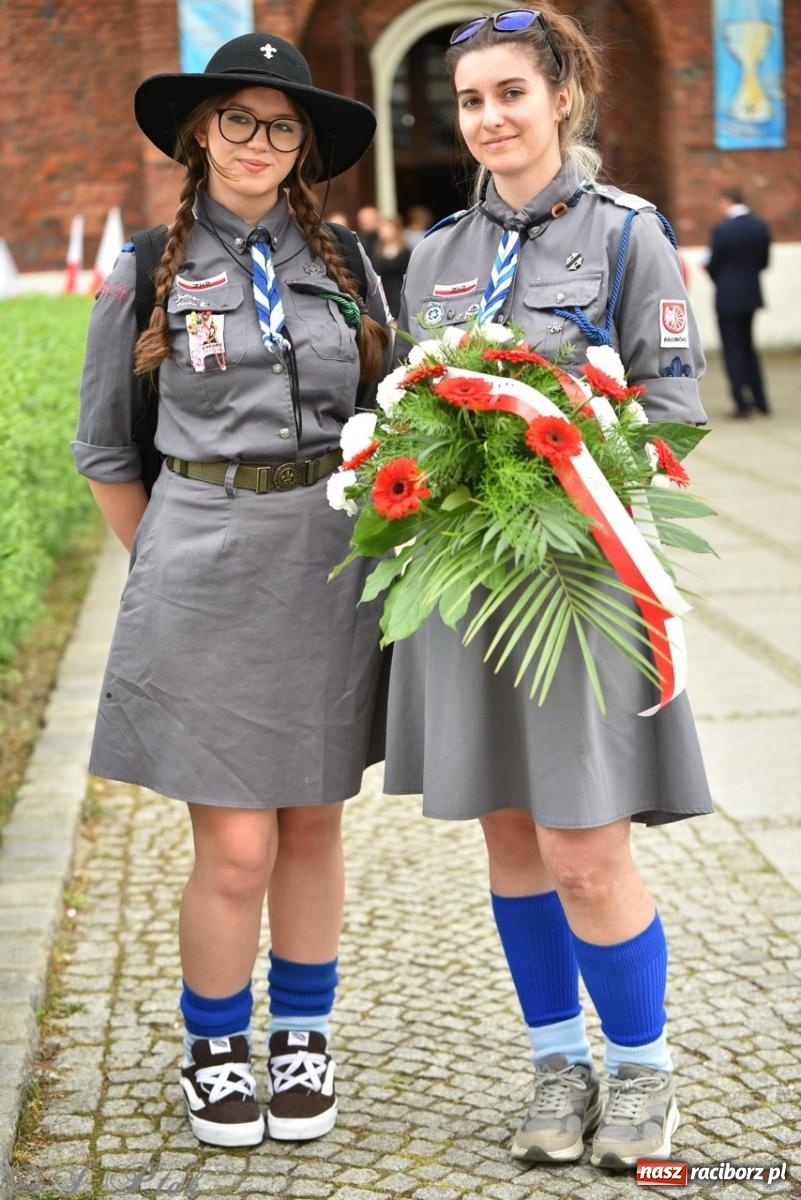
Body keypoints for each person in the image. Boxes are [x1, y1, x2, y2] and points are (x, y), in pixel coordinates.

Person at [382, 6, 713, 1173]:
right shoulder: (432, 258)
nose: (488, 119)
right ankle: (554, 1059)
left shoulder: (629, 238)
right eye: (470, 100)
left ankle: (643, 1074)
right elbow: (402, 418)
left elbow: (674, 414)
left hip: (578, 582)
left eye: (510, 93)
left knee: (588, 849)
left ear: (561, 94)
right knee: (513, 841)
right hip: (470, 594)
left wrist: (564, 463)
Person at [73, 32, 390, 1150]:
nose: (261, 141)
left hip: (330, 560)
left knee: (311, 825)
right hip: (205, 559)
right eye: (241, 119)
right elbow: (109, 454)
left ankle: (302, 1037)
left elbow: (390, 413)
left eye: (284, 124)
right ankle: (216, 1049)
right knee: (238, 845)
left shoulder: (347, 262)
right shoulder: (144, 264)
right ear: (201, 132)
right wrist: (173, 561)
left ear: (304, 145)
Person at [707, 186, 771, 418]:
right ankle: (761, 400)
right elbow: (764, 262)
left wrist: (720, 279)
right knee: (749, 348)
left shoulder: (723, 229)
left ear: (726, 201)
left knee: (732, 350)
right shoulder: (760, 226)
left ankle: (741, 404)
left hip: (727, 297)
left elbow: (714, 265)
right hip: (751, 294)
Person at [371, 214, 412, 320]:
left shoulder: (404, 251)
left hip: (399, 294)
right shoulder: (376, 250)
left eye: (386, 228)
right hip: (384, 294)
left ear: (395, 229)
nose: (382, 231)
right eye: (381, 228)